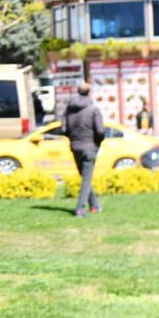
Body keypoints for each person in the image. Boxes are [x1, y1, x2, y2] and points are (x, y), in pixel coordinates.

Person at [62, 82, 105, 217]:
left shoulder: (68, 110)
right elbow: (100, 131)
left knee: (85, 178)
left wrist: (73, 139)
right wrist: (97, 142)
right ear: (89, 93)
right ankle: (80, 208)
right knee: (86, 179)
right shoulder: (94, 110)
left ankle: (94, 205)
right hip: (89, 147)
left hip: (75, 147)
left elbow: (63, 129)